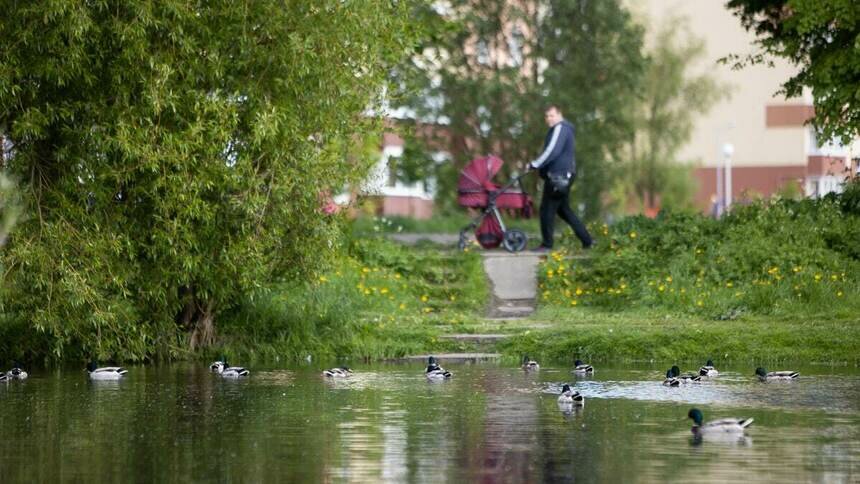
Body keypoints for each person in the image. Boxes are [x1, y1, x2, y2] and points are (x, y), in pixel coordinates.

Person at [528, 105, 592, 252]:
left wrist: (535, 164)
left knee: (547, 209)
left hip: (558, 176)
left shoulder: (561, 128)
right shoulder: (563, 129)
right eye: (547, 116)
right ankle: (588, 241)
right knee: (564, 210)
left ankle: (547, 245)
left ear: (559, 114)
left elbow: (552, 151)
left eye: (552, 115)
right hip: (563, 175)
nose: (549, 119)